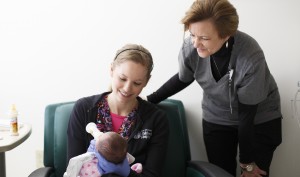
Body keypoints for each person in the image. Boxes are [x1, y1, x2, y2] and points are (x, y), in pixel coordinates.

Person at [146, 0, 282, 177]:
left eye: (204, 38)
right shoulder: (191, 46)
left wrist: (247, 163)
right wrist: (149, 100)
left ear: (226, 35)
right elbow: (183, 78)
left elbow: (246, 116)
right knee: (219, 173)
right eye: (192, 34)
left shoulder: (250, 57)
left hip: (258, 118)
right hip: (217, 116)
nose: (195, 43)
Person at [67, 43, 169, 177]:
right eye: (122, 78)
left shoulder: (156, 119)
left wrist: (126, 172)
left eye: (137, 83)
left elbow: (152, 174)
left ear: (146, 81)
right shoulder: (84, 109)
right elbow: (73, 168)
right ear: (111, 70)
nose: (127, 88)